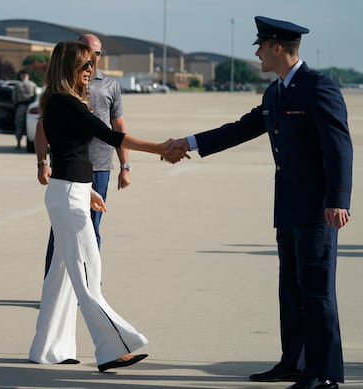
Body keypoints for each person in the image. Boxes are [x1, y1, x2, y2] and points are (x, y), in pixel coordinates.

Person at [166, 16, 352, 389]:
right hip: (287, 205)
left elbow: (339, 147)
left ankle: (323, 373)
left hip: (318, 209)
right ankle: (294, 362)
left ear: (277, 48)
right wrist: (189, 142)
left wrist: (338, 199)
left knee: (317, 291)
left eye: (261, 46)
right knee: (291, 287)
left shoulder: (318, 87)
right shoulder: (275, 93)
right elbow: (242, 128)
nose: (257, 53)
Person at [28, 40, 174, 372]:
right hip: (67, 195)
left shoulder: (59, 101)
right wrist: (161, 149)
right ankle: (112, 348)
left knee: (61, 278)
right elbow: (112, 137)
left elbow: (70, 155)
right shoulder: (66, 103)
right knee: (86, 273)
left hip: (71, 191)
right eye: (83, 66)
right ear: (69, 68)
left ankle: (49, 349)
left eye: (91, 65)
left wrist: (87, 191)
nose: (90, 71)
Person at [36, 33, 130, 276]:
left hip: (95, 169)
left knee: (91, 232)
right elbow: (44, 127)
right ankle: (82, 287)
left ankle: (83, 285)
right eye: (85, 57)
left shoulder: (108, 85)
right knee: (64, 240)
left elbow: (118, 126)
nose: (90, 64)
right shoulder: (64, 97)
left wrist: (125, 166)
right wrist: (41, 161)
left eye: (94, 56)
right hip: (70, 176)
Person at [12, 69, 37, 149]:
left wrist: (15, 105)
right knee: (32, 126)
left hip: (21, 107)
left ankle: (18, 143)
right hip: (32, 107)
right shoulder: (33, 85)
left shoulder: (17, 86)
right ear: (28, 76)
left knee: (19, 125)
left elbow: (14, 97)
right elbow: (36, 96)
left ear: (21, 76)